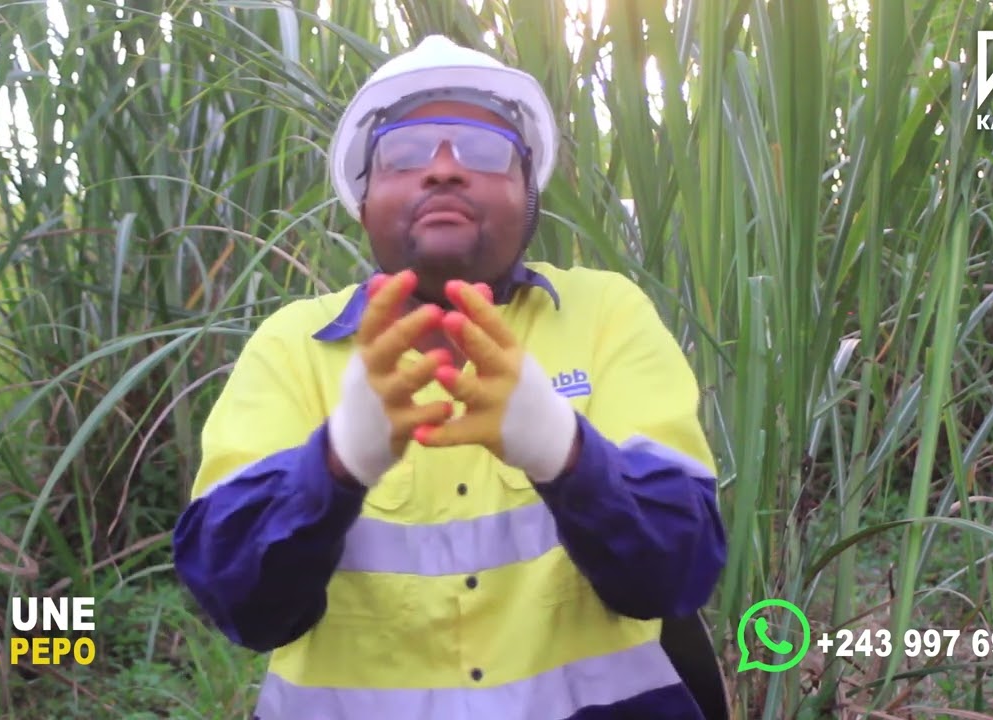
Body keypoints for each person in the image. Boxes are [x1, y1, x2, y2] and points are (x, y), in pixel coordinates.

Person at [172, 33, 729, 720]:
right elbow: (240, 605)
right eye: (405, 153)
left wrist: (567, 453)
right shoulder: (289, 347)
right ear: (364, 197)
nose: (443, 170)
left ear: (528, 193)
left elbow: (678, 574)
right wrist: (336, 462)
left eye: (484, 151)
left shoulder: (608, 313)